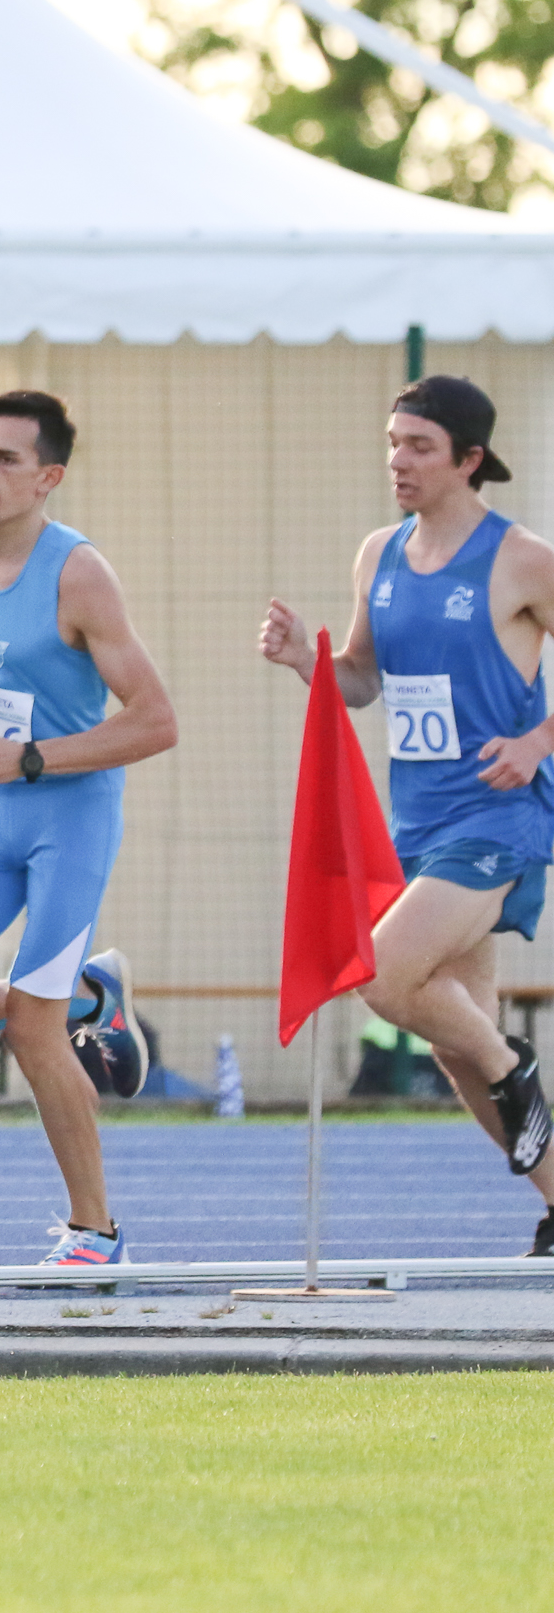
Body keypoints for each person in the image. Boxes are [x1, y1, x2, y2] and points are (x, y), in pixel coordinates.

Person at [259, 375, 554, 1253]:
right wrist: (305, 659)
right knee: (453, 1044)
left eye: (419, 446)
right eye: (393, 442)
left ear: (469, 460)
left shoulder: (521, 559)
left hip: (498, 819)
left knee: (383, 979)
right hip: (416, 826)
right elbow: (360, 680)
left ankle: (514, 1064)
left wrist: (537, 741)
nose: (398, 460)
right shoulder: (377, 555)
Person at [0, 390, 174, 1268]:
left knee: (29, 1028)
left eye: (5, 459)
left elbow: (156, 721)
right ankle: (96, 998)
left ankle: (96, 1233)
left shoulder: (80, 575)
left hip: (67, 825)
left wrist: (34, 758)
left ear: (48, 478)